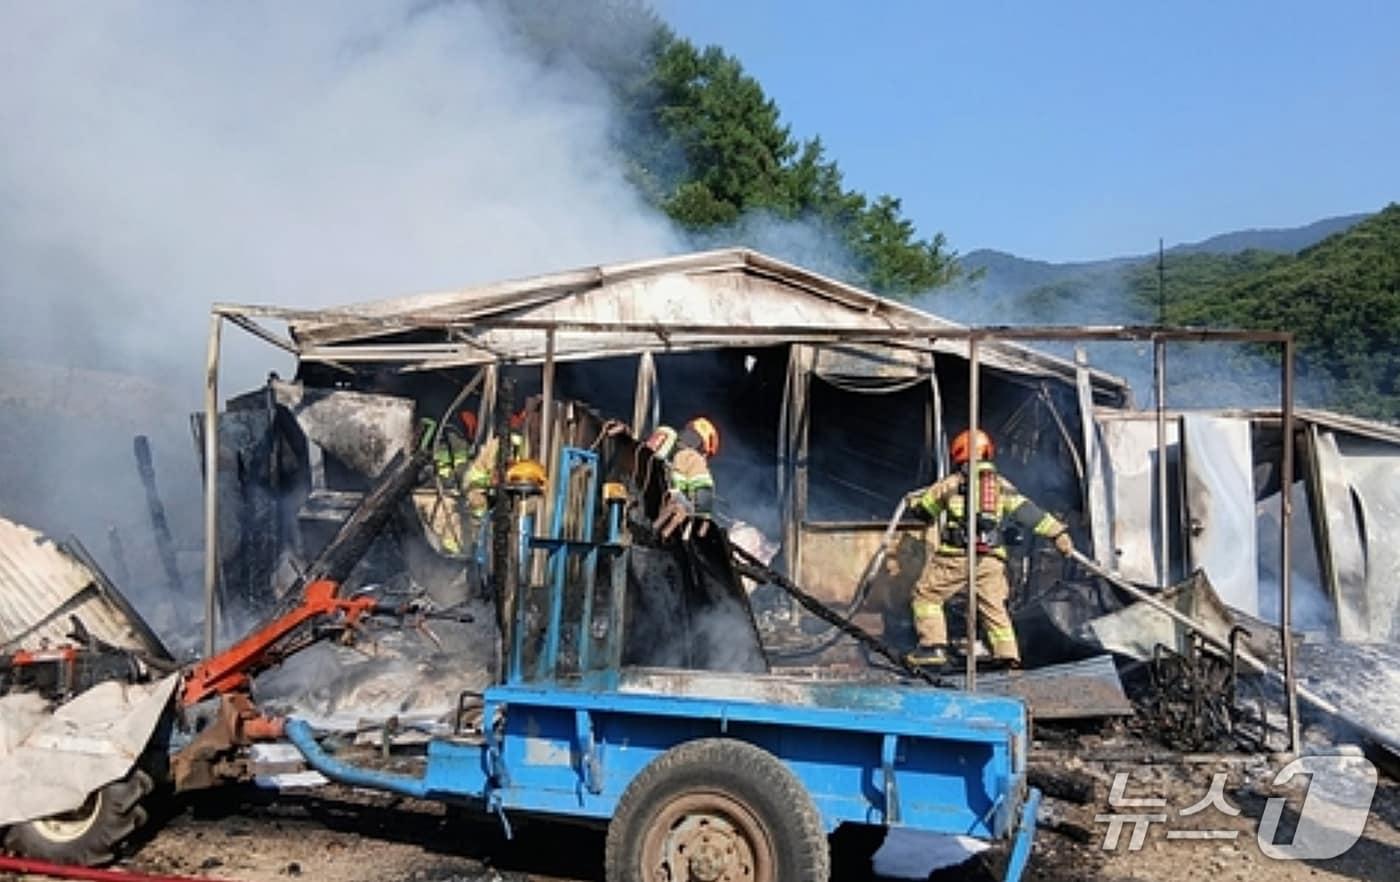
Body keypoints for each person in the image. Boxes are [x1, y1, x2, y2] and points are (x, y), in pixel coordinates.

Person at [904, 428, 1074, 670]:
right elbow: (1029, 513)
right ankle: (1007, 656)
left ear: (958, 455)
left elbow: (923, 512)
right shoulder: (1001, 486)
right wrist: (1058, 533)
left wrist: (914, 502)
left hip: (955, 558)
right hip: (991, 560)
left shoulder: (950, 484)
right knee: (993, 606)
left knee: (926, 596)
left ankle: (933, 648)